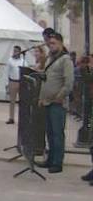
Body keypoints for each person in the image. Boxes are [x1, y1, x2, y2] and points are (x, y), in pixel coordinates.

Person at [40, 32, 74, 174]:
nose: (51, 46)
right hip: (47, 101)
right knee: (49, 132)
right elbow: (46, 79)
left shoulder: (65, 60)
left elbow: (69, 82)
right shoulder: (50, 58)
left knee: (57, 133)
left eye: (54, 43)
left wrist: (60, 96)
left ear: (60, 43)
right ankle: (50, 158)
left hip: (57, 103)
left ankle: (57, 162)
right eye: (50, 43)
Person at [6, 44, 26, 124]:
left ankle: (22, 118)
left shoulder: (23, 61)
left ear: (20, 52)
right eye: (14, 51)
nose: (15, 52)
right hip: (12, 81)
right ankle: (11, 118)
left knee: (22, 101)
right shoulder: (10, 60)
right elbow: (7, 72)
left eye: (16, 51)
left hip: (20, 82)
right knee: (12, 101)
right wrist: (7, 84)